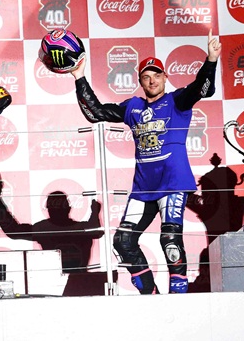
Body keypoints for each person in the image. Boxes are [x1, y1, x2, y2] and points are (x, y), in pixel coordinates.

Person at [70, 30, 222, 294]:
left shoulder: (177, 101)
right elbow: (95, 113)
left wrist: (211, 59)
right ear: (140, 81)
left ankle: (179, 296)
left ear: (166, 77)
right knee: (123, 241)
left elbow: (204, 88)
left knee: (170, 240)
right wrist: (78, 76)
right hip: (143, 188)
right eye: (146, 76)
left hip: (173, 182)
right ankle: (150, 294)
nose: (152, 80)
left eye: (157, 75)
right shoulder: (133, 106)